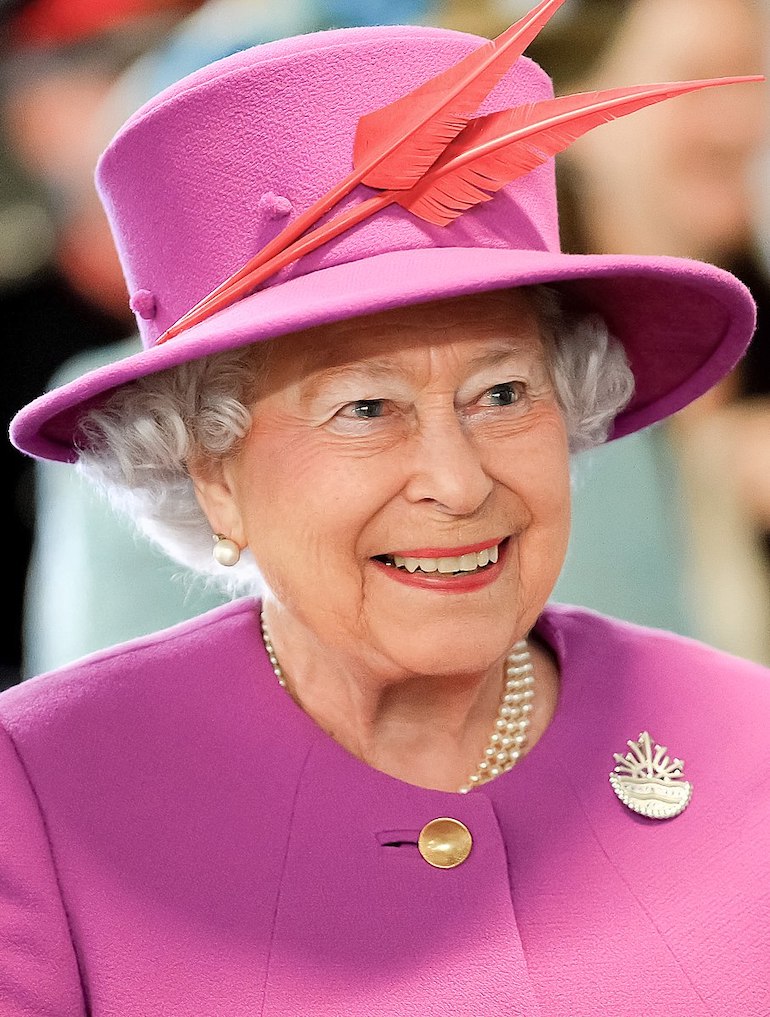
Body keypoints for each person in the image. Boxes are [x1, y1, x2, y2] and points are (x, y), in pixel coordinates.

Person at [2, 1, 769, 1012]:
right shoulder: (40, 793)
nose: (456, 483)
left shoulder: (744, 737)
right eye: (364, 409)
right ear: (210, 473)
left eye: (502, 395)